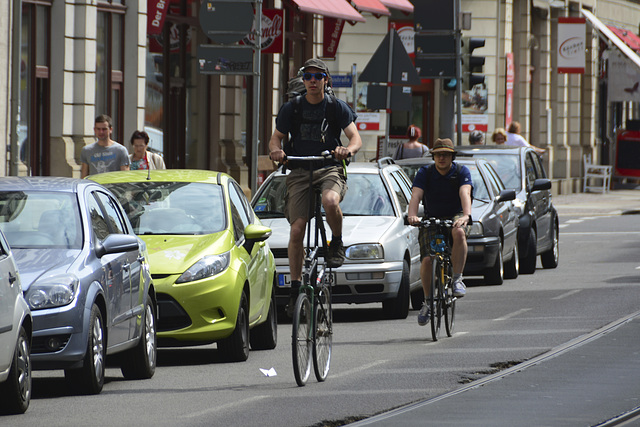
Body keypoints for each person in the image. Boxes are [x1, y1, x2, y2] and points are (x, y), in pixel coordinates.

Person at [268, 58, 362, 314]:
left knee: (330, 201)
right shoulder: (292, 108)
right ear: (303, 79)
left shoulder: (335, 107)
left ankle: (337, 242)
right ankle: (296, 287)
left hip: (328, 166)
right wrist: (276, 152)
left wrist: (346, 150)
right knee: (297, 230)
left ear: (325, 80)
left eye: (317, 76)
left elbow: (355, 138)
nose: (312, 81)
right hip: (299, 170)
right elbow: (275, 139)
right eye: (308, 76)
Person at [407, 138, 473, 326]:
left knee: (459, 232)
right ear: (433, 156)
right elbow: (416, 196)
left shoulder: (461, 172)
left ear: (452, 156)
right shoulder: (425, 173)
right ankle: (428, 302)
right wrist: (412, 216)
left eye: (445, 154)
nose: (442, 158)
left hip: (456, 214)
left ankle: (458, 279)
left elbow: (465, 193)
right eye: (438, 154)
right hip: (432, 217)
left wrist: (466, 216)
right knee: (428, 259)